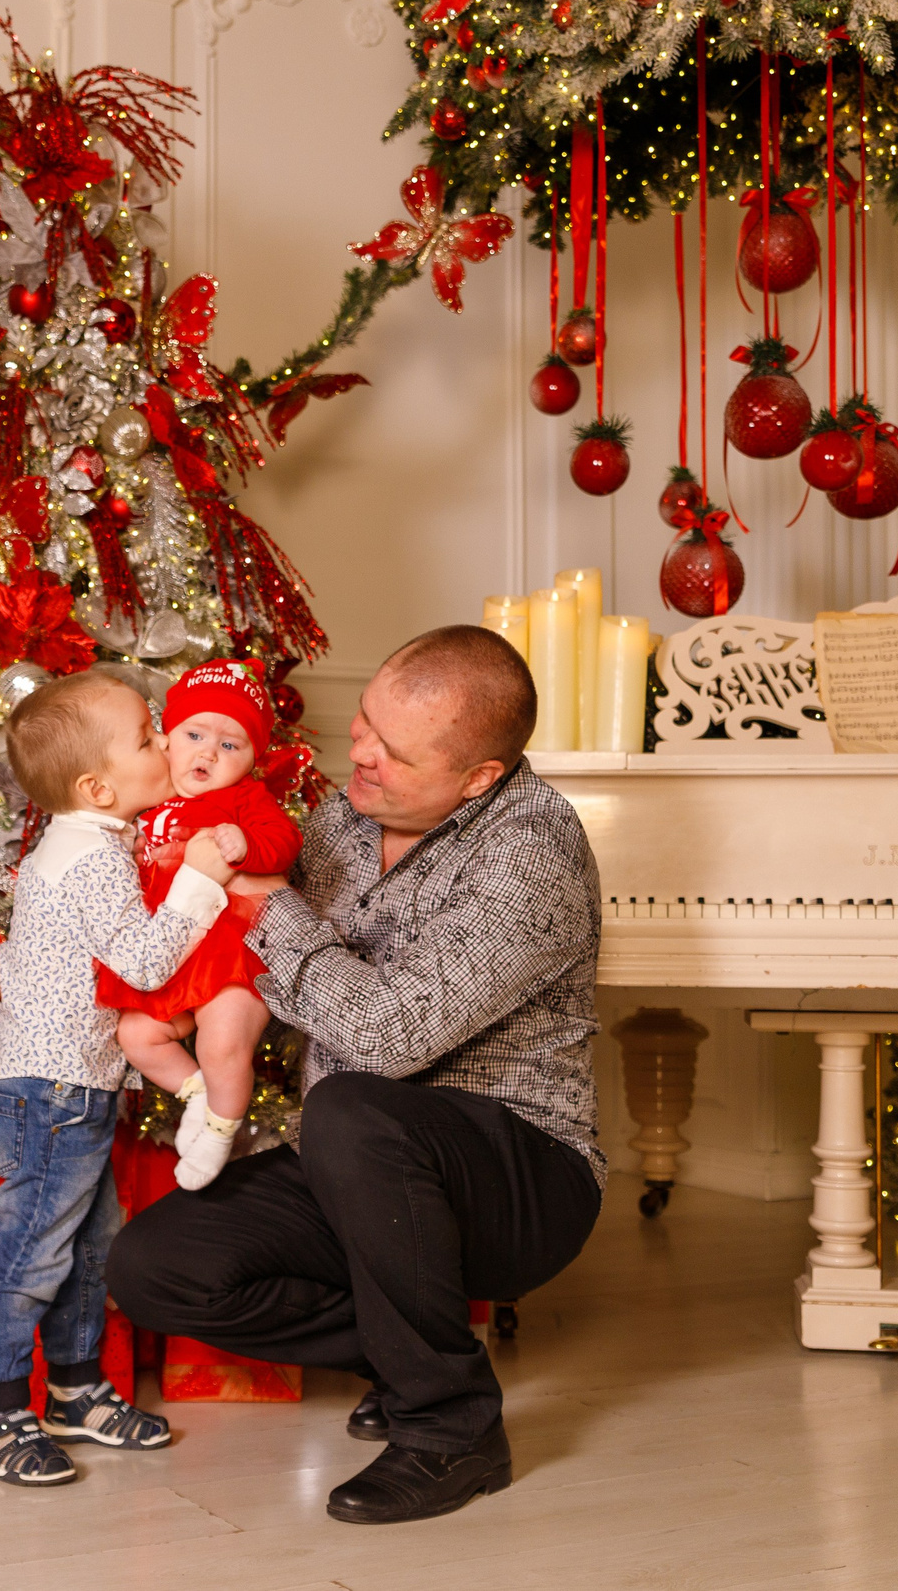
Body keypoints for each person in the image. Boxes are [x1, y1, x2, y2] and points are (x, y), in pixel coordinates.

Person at [107, 625, 604, 1525]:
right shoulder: (345, 815)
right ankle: (420, 1348)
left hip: (519, 1169)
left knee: (348, 1106)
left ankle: (451, 1428)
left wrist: (267, 903)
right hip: (357, 1164)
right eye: (366, 721)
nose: (360, 755)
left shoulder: (532, 855)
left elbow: (383, 1034)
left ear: (478, 778)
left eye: (396, 752)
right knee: (154, 1267)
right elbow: (247, 959)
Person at [0, 670, 238, 1487]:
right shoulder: (86, 859)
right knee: (33, 1255)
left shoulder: (97, 840)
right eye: (150, 739)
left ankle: (75, 1389)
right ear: (98, 784)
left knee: (87, 1248)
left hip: (74, 1086)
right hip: (47, 1090)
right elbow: (147, 957)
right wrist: (201, 881)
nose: (168, 745)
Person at [94, 660, 304, 1190]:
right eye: (195, 734)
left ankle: (218, 1129)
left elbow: (283, 842)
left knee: (222, 1042)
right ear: (166, 739)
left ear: (253, 759)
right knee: (137, 1035)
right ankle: (198, 1093)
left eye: (231, 745)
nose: (209, 752)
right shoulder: (150, 791)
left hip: (231, 948)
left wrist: (246, 844)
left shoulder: (243, 799)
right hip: (169, 950)